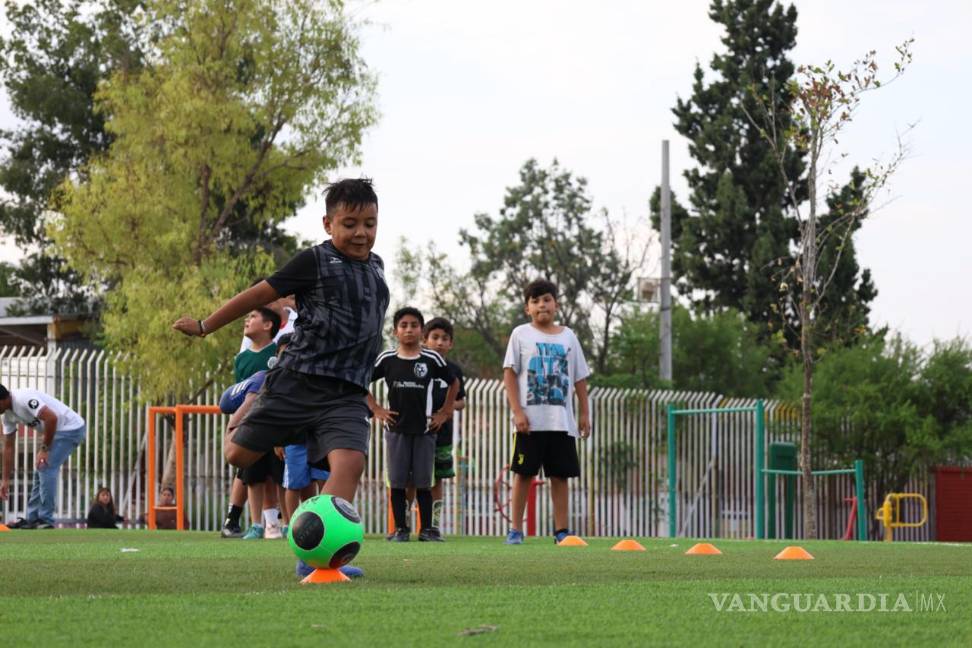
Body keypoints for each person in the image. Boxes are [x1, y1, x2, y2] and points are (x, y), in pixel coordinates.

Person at [173, 178, 388, 574]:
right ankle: (252, 405)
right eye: (350, 223)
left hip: (345, 393)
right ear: (328, 224)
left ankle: (317, 559)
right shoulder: (314, 262)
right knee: (238, 454)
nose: (361, 233)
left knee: (351, 463)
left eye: (370, 223)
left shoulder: (376, 266)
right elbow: (256, 295)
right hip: (297, 382)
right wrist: (205, 326)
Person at [502, 279, 591, 545]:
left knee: (560, 475)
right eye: (536, 300)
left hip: (561, 422)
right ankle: (515, 530)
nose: (542, 304)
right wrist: (517, 412)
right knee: (524, 474)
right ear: (527, 308)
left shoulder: (569, 336)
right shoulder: (520, 334)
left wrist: (585, 413)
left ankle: (561, 531)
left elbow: (579, 378)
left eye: (547, 299)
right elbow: (509, 374)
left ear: (556, 304)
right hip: (529, 421)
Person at [368, 307, 459, 542]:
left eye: (414, 325)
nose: (409, 329)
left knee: (423, 482)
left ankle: (427, 529)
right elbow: (360, 381)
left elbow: (454, 382)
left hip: (425, 431)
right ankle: (400, 529)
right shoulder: (387, 359)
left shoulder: (431, 358)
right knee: (397, 482)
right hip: (395, 430)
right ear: (395, 331)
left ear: (421, 330)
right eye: (404, 325)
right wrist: (376, 409)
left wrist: (445, 412)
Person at [222, 305, 284, 539]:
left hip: (274, 422)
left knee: (276, 475)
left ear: (268, 325)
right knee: (252, 475)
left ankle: (276, 524)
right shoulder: (242, 359)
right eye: (246, 316)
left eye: (253, 316)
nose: (246, 320)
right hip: (250, 425)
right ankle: (256, 524)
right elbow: (239, 394)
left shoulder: (276, 354)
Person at [405, 317, 466, 534]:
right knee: (411, 478)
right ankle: (404, 524)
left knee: (436, 480)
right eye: (435, 337)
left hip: (442, 435)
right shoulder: (415, 364)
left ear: (451, 344)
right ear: (425, 339)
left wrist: (445, 411)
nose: (440, 342)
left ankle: (432, 525)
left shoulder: (454, 370)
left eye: (445, 339)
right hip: (415, 432)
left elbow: (462, 401)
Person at [0, 385, 87, 529]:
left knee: (45, 468)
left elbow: (51, 418)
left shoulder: (23, 398)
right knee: (39, 470)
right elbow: (8, 447)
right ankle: (32, 519)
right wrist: (5, 480)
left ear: (2, 400)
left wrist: (45, 449)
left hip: (71, 428)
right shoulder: (7, 416)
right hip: (57, 431)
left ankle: (45, 519)